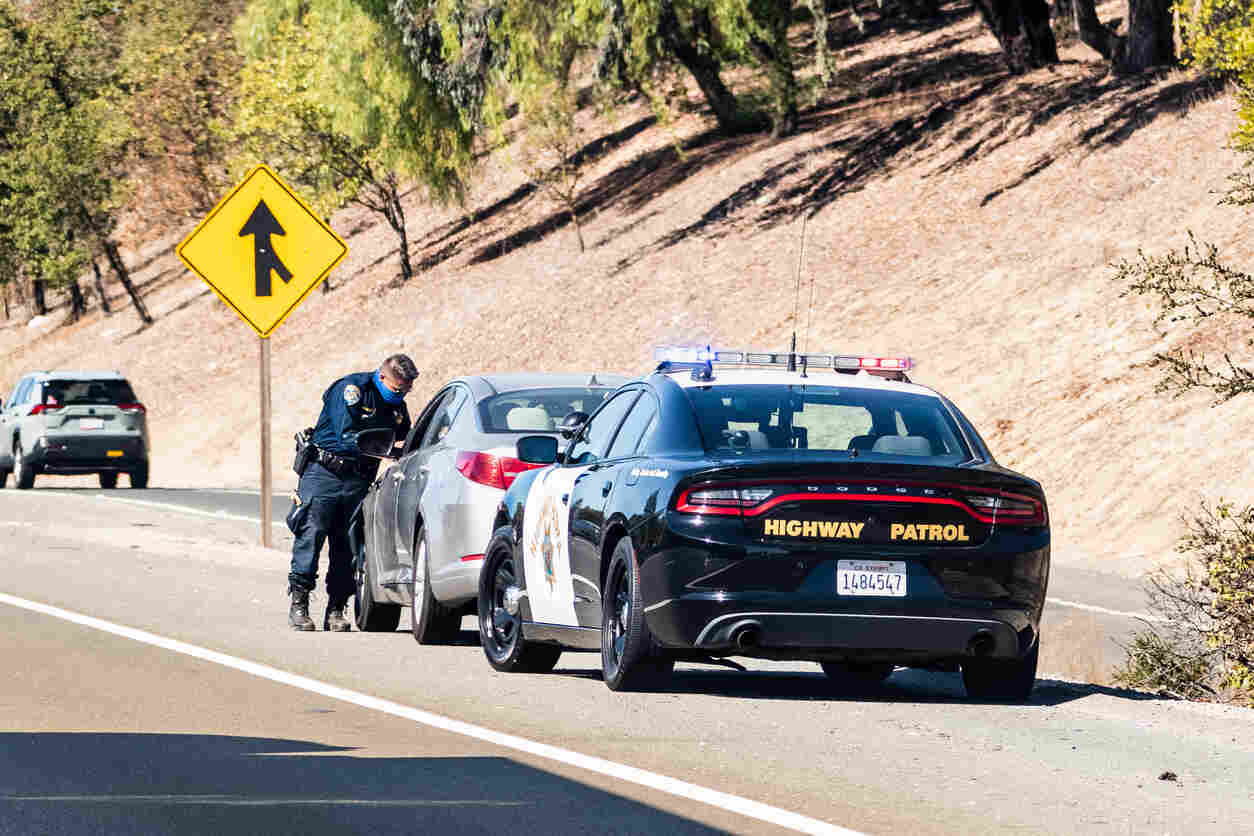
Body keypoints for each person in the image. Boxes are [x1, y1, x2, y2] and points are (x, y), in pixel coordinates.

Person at [287, 354, 416, 631]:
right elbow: (347, 436)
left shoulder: (395, 405)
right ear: (382, 377)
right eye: (397, 389)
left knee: (348, 546)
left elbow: (406, 433)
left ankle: (336, 609)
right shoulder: (352, 390)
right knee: (310, 537)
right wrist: (388, 450)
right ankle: (300, 605)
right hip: (325, 475)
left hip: (358, 480)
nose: (401, 395)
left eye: (406, 391)